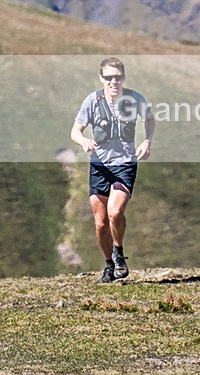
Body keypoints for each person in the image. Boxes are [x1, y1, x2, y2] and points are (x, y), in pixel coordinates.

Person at [71, 57, 155, 283]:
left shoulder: (135, 99)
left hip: (125, 164)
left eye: (117, 77)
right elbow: (75, 130)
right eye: (108, 78)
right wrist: (84, 142)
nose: (113, 82)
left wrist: (147, 141)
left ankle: (118, 252)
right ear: (101, 79)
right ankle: (109, 266)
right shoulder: (92, 101)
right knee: (100, 223)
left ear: (123, 78)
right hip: (99, 165)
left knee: (115, 212)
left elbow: (149, 119)